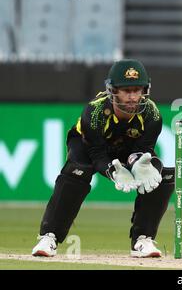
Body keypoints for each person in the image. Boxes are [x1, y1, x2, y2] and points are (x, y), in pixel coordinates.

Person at [32, 59, 174, 258]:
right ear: (113, 90)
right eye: (127, 91)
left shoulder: (152, 114)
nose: (133, 97)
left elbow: (143, 149)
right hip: (87, 145)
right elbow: (97, 154)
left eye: (138, 90)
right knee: (77, 171)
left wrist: (139, 164)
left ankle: (143, 240)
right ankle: (49, 237)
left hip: (128, 146)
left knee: (161, 177)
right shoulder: (95, 112)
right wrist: (113, 171)